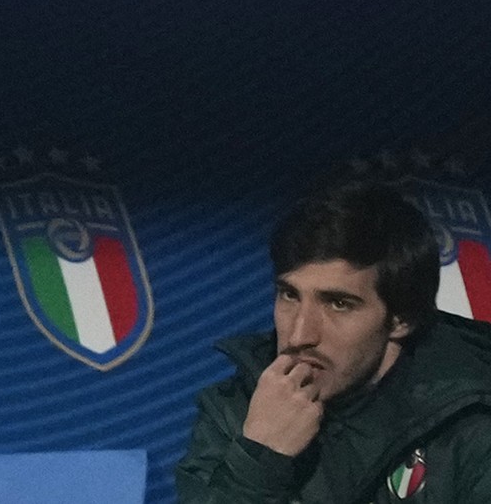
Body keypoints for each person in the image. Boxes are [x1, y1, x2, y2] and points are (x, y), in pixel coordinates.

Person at [176, 181, 491, 502]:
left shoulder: (472, 424)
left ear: (403, 318)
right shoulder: (239, 410)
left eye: (338, 304)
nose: (300, 336)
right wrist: (261, 459)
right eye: (289, 295)